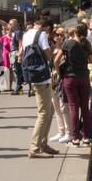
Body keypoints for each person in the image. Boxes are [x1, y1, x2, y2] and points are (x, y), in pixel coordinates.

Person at [20, 13, 57, 159]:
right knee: (43, 113)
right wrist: (53, 48)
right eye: (50, 31)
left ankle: (43, 143)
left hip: (33, 74)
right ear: (46, 27)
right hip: (42, 78)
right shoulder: (41, 35)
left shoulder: (27, 33)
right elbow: (49, 56)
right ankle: (34, 148)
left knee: (50, 110)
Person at [62, 22, 92, 146]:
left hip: (70, 78)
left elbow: (58, 59)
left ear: (75, 31)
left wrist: (60, 73)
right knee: (85, 107)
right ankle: (86, 136)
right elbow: (90, 59)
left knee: (73, 107)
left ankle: (75, 138)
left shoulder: (68, 43)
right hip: (84, 77)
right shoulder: (87, 44)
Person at [50, 25, 72, 143]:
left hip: (62, 78)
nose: (59, 37)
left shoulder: (65, 48)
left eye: (61, 35)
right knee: (56, 106)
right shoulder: (51, 49)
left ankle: (69, 132)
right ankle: (61, 131)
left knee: (64, 107)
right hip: (52, 78)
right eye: (57, 35)